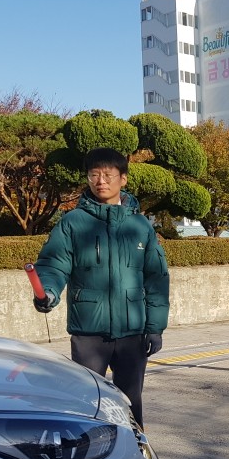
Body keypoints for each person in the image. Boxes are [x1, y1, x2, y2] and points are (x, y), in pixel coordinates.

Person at [33, 147, 169, 428]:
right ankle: (88, 457)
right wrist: (49, 291)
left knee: (131, 399)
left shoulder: (140, 225)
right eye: (94, 175)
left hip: (133, 332)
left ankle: (135, 453)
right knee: (87, 399)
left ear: (123, 179)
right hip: (88, 332)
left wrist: (155, 327)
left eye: (108, 175)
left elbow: (156, 277)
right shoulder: (72, 222)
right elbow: (55, 264)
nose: (101, 181)